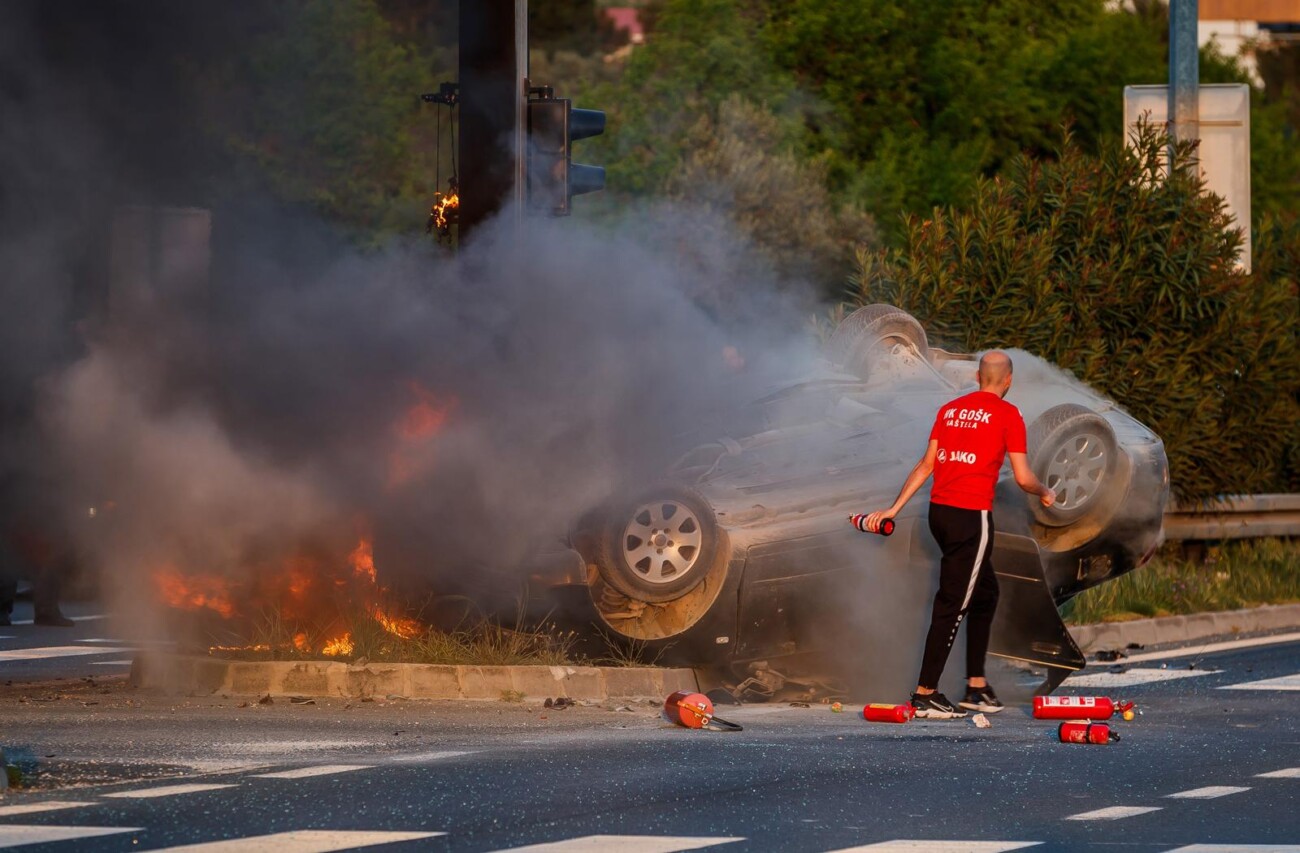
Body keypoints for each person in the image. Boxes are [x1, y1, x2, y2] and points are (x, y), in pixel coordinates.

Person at [857, 350, 1055, 719]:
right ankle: (925, 692)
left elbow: (926, 464)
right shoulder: (1009, 415)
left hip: (939, 514)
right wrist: (1046, 492)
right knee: (953, 604)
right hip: (971, 518)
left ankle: (976, 685)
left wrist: (893, 510)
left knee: (985, 593)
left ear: (979, 377)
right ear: (1008, 380)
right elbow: (1024, 477)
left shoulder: (950, 410)